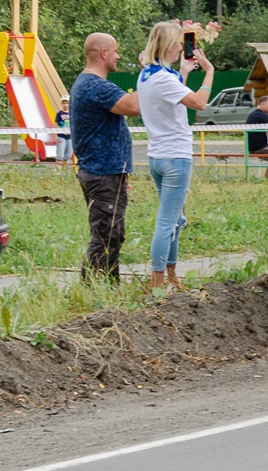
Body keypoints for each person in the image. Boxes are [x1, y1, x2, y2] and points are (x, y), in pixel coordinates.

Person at [136, 21, 216, 292]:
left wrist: (183, 72)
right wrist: (209, 71)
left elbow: (170, 96)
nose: (183, 48)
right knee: (167, 221)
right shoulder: (164, 78)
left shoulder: (147, 74)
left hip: (157, 156)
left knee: (176, 220)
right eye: (179, 44)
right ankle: (158, 281)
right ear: (170, 46)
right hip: (176, 158)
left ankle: (170, 275)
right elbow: (199, 103)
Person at [68, 33, 140, 282]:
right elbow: (134, 107)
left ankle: (109, 284)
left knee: (113, 232)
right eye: (116, 50)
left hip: (105, 171)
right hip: (103, 173)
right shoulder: (96, 86)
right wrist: (148, 73)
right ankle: (93, 288)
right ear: (103, 53)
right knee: (106, 234)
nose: (118, 56)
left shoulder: (86, 83)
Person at [54, 94, 72, 168]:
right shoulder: (59, 113)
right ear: (61, 103)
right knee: (60, 151)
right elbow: (56, 123)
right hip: (61, 135)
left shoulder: (72, 113)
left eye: (67, 103)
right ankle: (58, 167)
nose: (65, 105)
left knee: (69, 152)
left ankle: (67, 168)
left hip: (70, 135)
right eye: (64, 103)